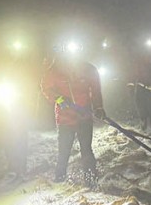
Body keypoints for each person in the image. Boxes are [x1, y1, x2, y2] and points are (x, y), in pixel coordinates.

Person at [41, 52, 105, 182]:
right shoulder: (55, 70)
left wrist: (98, 107)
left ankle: (90, 178)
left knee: (86, 149)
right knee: (64, 151)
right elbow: (46, 88)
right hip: (65, 117)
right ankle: (60, 178)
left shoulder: (89, 70)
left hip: (84, 115)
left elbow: (96, 90)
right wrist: (58, 99)